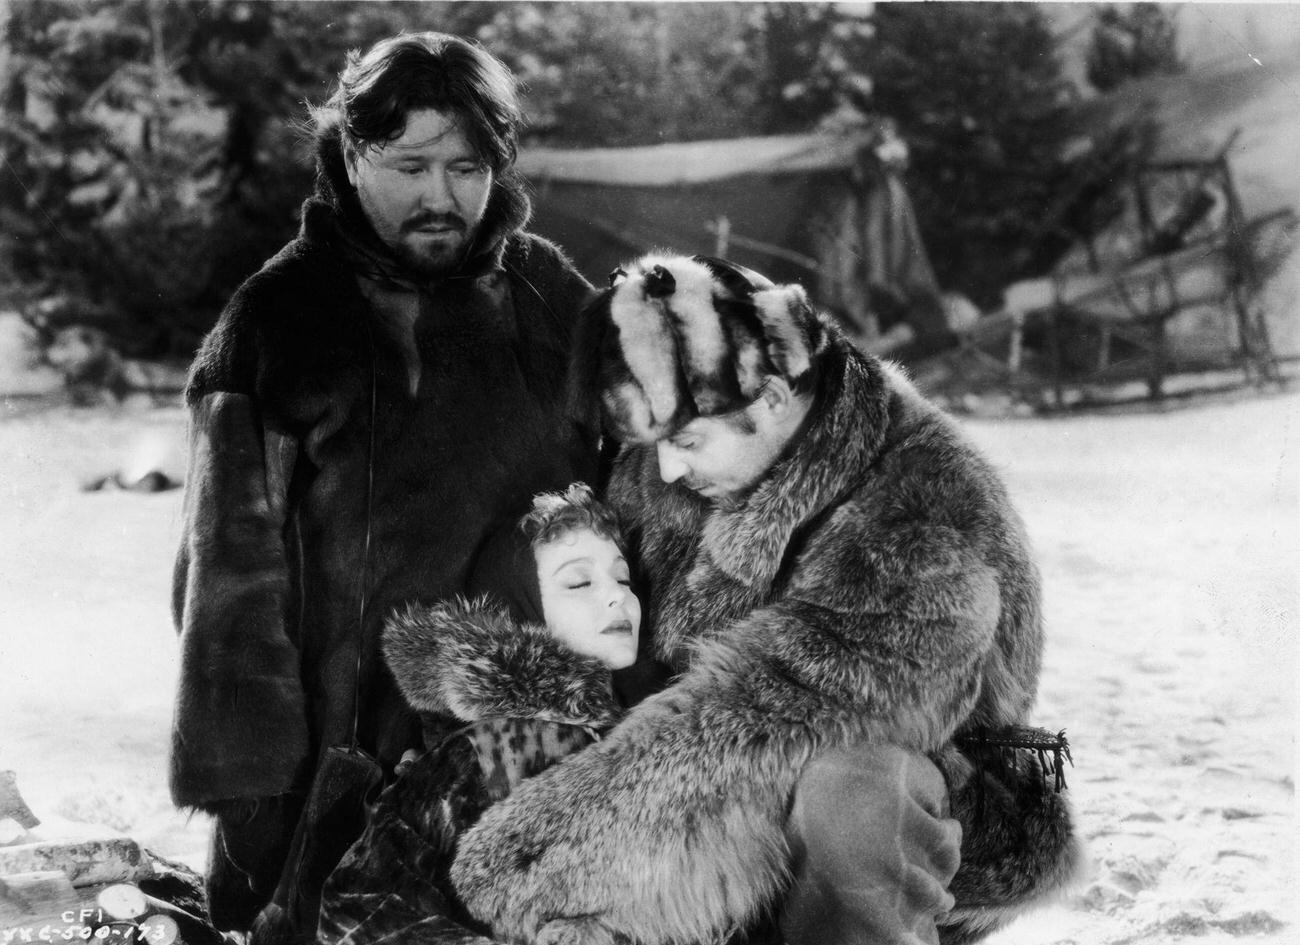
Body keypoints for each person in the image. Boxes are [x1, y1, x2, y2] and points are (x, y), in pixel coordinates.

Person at [450, 254, 1082, 945]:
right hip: (710, 778)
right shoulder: (696, 431)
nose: (665, 469)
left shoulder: (923, 510)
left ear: (776, 397)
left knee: (852, 793)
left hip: (922, 797)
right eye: (653, 443)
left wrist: (538, 850)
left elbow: (758, 723)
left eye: (686, 442)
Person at [167, 31, 599, 942]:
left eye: (468, 166)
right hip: (348, 770)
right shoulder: (278, 318)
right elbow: (226, 584)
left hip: (546, 749)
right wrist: (254, 805)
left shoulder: (547, 293)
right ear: (353, 154)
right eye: (410, 165)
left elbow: (642, 484)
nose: (442, 198)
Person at [316, 484, 639, 945]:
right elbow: (358, 905)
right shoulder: (495, 746)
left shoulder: (629, 734)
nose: (617, 597)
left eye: (623, 579)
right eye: (579, 582)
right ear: (520, 607)